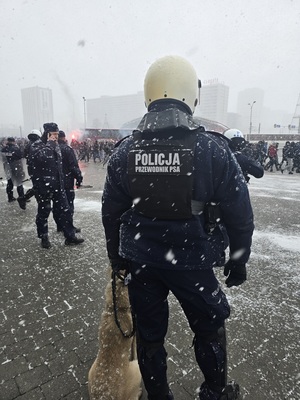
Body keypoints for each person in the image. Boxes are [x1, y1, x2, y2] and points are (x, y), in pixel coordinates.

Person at [102, 55, 254, 400]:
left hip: (143, 262)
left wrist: (118, 260)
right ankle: (215, 392)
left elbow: (111, 213)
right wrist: (239, 258)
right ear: (191, 96)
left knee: (150, 337)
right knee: (209, 330)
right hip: (194, 262)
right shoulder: (213, 150)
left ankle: (158, 396)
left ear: (148, 96)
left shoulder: (124, 152)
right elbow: (240, 216)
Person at [28, 122, 84, 249]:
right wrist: (50, 145)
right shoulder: (37, 146)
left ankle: (70, 236)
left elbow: (59, 166)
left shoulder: (57, 145)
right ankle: (44, 237)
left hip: (59, 184)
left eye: (57, 134)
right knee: (44, 212)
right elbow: (40, 160)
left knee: (65, 210)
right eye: (54, 134)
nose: (56, 137)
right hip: (43, 185)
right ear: (47, 134)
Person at [55, 130, 83, 232]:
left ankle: (59, 225)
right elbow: (73, 166)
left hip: (56, 182)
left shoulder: (51, 148)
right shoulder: (67, 149)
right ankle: (68, 227)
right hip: (67, 181)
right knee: (68, 205)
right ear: (64, 138)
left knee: (57, 205)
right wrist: (79, 178)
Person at [1, 137, 26, 209]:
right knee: (19, 183)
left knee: (9, 182)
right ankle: (21, 197)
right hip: (16, 167)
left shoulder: (4, 149)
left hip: (7, 167)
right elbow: (21, 156)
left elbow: (3, 158)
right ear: (14, 141)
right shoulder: (16, 149)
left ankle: (10, 197)